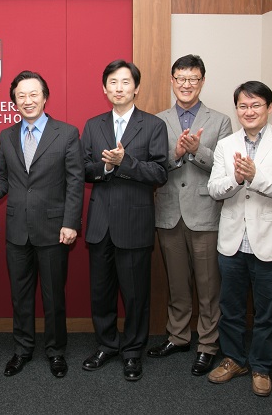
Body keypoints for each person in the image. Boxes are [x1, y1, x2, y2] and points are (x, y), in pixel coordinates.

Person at [207, 81, 272, 397]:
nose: (249, 111)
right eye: (243, 106)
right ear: (236, 109)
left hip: (270, 243)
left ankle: (261, 367)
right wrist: (236, 178)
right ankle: (234, 359)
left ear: (269, 108)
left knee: (266, 312)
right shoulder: (226, 145)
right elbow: (214, 189)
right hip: (232, 242)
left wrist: (255, 176)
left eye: (256, 105)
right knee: (230, 308)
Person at [0, 70, 84, 379]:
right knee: (20, 295)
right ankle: (22, 349)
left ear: (45, 97)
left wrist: (71, 223)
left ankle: (56, 351)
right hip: (17, 229)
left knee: (54, 296)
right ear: (14, 101)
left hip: (54, 229)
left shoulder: (66, 133)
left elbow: (75, 181)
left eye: (33, 94)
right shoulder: (6, 135)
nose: (27, 100)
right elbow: (2, 176)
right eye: (21, 96)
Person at [80, 59, 168, 381]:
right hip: (100, 224)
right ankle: (107, 345)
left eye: (125, 82)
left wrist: (125, 162)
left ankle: (132, 352)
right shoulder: (93, 125)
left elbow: (159, 173)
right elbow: (83, 169)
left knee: (135, 296)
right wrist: (106, 167)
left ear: (137, 88)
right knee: (101, 293)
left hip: (134, 223)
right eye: (113, 83)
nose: (119, 88)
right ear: (104, 89)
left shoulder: (154, 125)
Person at [148, 55, 232, 376]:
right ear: (172, 81)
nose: (186, 84)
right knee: (177, 282)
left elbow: (225, 166)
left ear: (202, 81)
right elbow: (155, 166)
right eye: (180, 79)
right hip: (169, 212)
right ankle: (178, 336)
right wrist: (177, 154)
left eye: (193, 79)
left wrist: (197, 151)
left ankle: (208, 344)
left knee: (209, 285)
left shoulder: (220, 121)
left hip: (205, 212)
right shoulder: (158, 120)